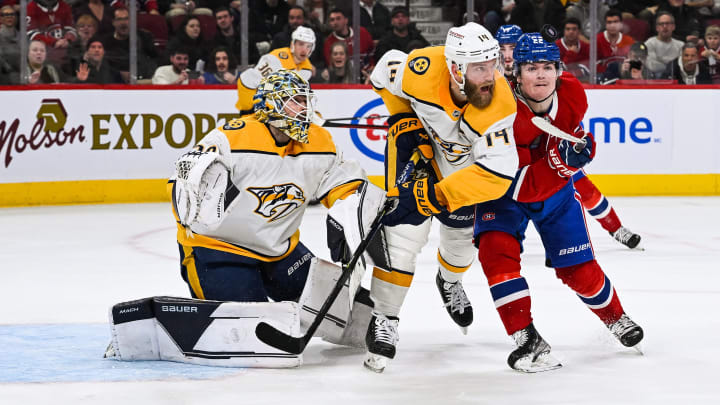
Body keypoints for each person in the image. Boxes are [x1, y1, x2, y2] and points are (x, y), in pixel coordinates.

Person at [105, 70, 386, 366]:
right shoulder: (232, 137)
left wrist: (353, 210)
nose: (304, 111)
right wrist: (191, 188)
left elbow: (342, 182)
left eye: (306, 102)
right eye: (295, 103)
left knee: (353, 306)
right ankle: (157, 332)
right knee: (247, 324)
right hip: (220, 249)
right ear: (271, 106)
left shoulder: (319, 140)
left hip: (281, 250)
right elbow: (185, 178)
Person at [473, 33, 644, 373]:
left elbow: (572, 135)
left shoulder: (573, 95)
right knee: (495, 253)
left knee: (578, 269)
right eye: (532, 68)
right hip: (503, 192)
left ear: (559, 70)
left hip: (555, 193)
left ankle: (615, 317)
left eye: (548, 67)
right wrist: (560, 164)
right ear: (516, 74)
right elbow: (518, 187)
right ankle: (524, 336)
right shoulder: (498, 111)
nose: (541, 75)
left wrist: (579, 149)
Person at [364, 22, 520, 373]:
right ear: (454, 67)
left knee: (462, 243)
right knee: (402, 237)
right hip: (415, 158)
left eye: (492, 64)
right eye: (479, 67)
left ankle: (449, 282)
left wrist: (436, 196)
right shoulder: (421, 69)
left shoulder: (499, 106)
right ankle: (384, 317)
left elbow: (496, 177)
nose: (490, 75)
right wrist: (404, 119)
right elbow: (383, 71)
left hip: (458, 179)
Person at [235, 25, 315, 114]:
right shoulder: (276, 59)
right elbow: (259, 84)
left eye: (308, 46)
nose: (304, 50)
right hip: (250, 89)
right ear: (293, 44)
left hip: (272, 97)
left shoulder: (307, 70)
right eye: (301, 44)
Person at [102, 6, 158, 82]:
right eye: (119, 19)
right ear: (113, 22)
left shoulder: (144, 37)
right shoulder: (105, 41)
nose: (123, 23)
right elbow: (102, 66)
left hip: (142, 80)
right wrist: (119, 74)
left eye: (126, 19)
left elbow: (155, 58)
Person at [644, 11, 684, 78]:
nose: (665, 26)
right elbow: (652, 66)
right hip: (656, 80)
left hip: (676, 78)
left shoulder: (681, 45)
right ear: (657, 28)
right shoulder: (649, 43)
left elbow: (682, 67)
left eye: (668, 23)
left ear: (673, 27)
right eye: (661, 24)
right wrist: (671, 67)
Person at [597, 9, 635, 74]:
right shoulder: (596, 40)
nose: (612, 25)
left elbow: (634, 64)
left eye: (615, 22)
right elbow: (592, 65)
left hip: (623, 77)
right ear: (605, 24)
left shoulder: (629, 41)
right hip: (602, 78)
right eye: (609, 22)